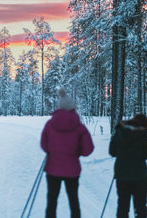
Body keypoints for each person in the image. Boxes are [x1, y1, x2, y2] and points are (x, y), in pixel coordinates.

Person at [40, 88, 94, 218]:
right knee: (73, 201)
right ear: (73, 109)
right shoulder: (79, 127)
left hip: (53, 169)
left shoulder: (50, 124)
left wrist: (52, 151)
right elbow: (88, 149)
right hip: (72, 170)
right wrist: (77, 152)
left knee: (52, 202)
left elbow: (43, 145)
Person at [109, 113, 147, 218]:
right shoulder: (144, 133)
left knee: (123, 205)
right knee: (141, 206)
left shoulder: (120, 131)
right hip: (139, 176)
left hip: (122, 175)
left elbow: (112, 151)